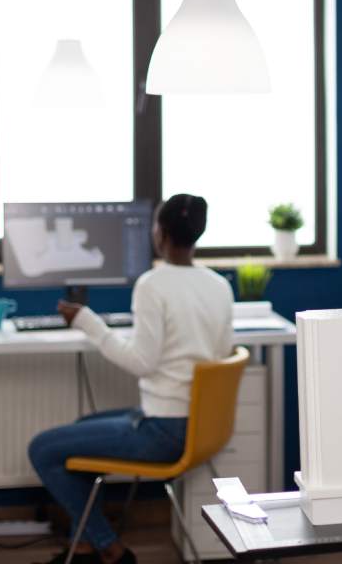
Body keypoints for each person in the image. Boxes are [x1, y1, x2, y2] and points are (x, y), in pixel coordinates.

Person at [28, 194, 234, 564]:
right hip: (199, 426)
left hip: (164, 431)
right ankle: (87, 545)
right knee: (81, 428)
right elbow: (220, 352)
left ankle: (110, 548)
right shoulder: (219, 286)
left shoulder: (152, 285)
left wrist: (87, 322)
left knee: (42, 449)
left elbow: (141, 362)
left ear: (162, 233)